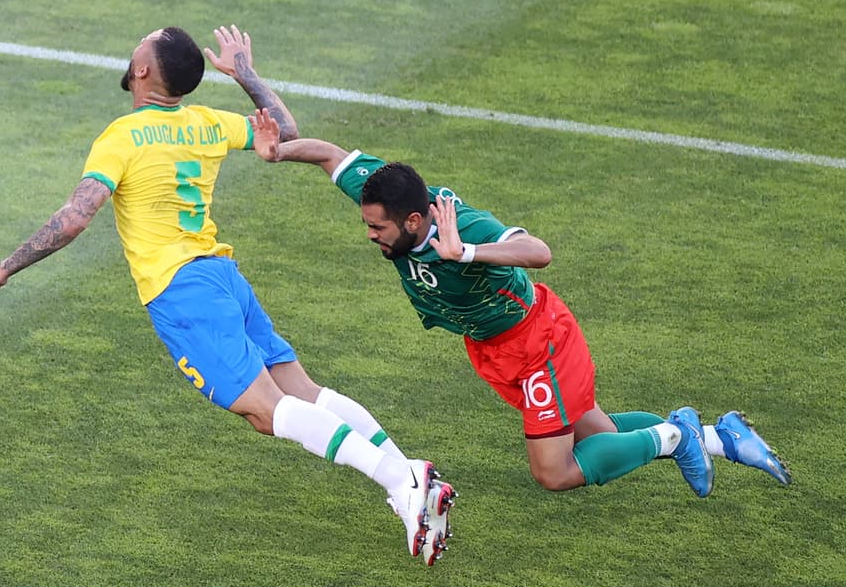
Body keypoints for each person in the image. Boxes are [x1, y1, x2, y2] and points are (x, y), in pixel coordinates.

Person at [0, 26, 455, 565]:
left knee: (267, 411)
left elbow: (75, 220)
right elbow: (282, 131)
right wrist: (246, 77)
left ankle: (402, 480)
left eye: (139, 45)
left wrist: (5, 268)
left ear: (143, 70)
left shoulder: (121, 136)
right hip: (221, 276)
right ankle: (410, 479)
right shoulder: (207, 123)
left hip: (182, 291)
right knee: (302, 390)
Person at [250, 109, 791, 497]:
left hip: (538, 343)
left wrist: (468, 254)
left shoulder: (457, 225)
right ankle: (723, 438)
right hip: (492, 349)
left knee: (554, 471)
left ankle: (676, 435)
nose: (368, 234)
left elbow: (539, 252)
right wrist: (276, 147)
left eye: (376, 227)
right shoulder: (387, 193)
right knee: (595, 434)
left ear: (414, 221)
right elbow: (327, 154)